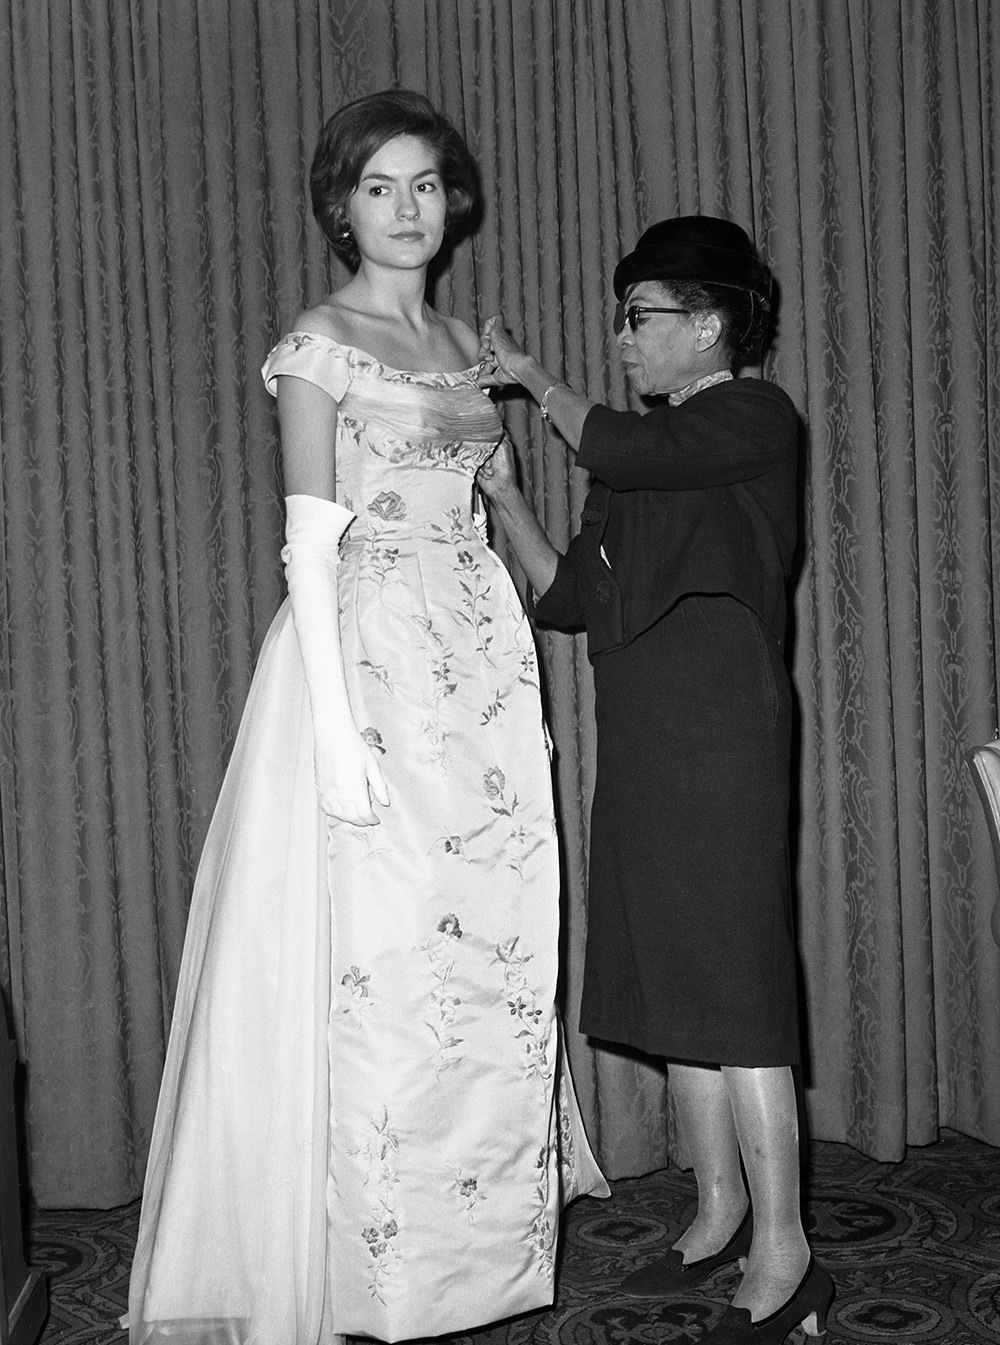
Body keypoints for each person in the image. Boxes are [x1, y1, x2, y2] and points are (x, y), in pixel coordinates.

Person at [126, 89, 606, 1345]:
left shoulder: (461, 346)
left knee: (490, 956)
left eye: (427, 185)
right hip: (369, 662)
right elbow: (309, 546)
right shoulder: (319, 341)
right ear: (341, 205)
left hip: (481, 669)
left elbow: (487, 500)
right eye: (381, 186)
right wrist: (336, 739)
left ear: (453, 204)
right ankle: (371, 1269)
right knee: (385, 963)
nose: (407, 208)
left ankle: (474, 1262)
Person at [475, 216, 832, 1344]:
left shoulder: (750, 415)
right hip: (644, 730)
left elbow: (623, 452)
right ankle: (718, 1211)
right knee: (679, 974)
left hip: (719, 729)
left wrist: (530, 376)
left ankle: (789, 1253)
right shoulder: (641, 452)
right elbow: (568, 595)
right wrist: (503, 495)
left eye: (640, 318)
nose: (624, 338)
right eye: (622, 319)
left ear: (708, 325)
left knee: (731, 980)